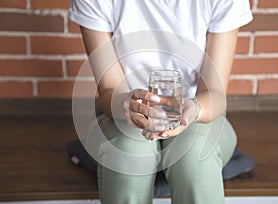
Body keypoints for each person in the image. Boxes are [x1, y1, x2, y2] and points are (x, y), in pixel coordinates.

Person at [69, 0, 253, 203]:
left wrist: (195, 110)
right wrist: (126, 105)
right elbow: (109, 89)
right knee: (129, 153)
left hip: (198, 111)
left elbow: (215, 93)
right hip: (122, 114)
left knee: (195, 156)